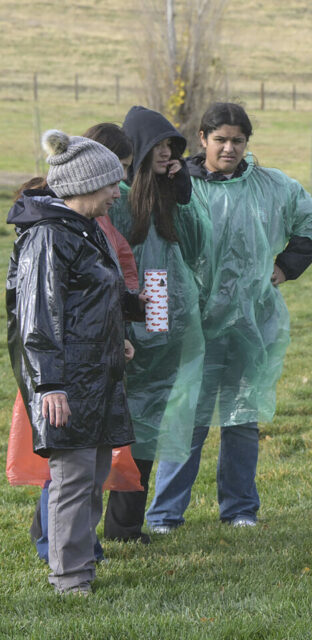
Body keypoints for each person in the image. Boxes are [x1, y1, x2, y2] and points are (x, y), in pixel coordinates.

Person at [147, 103, 312, 532]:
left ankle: (240, 509)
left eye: (238, 141)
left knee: (242, 416)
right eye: (221, 140)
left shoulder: (271, 186)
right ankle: (165, 514)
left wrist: (285, 266)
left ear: (247, 143)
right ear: (202, 139)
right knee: (185, 418)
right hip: (192, 323)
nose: (229, 148)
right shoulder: (180, 185)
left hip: (250, 323)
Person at [7, 130, 133, 594]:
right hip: (68, 380)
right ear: (83, 185)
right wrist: (50, 385)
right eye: (111, 184)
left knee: (92, 474)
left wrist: (116, 337)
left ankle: (81, 564)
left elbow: (86, 300)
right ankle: (70, 578)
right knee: (73, 477)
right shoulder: (47, 237)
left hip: (95, 373)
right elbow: (37, 318)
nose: (118, 193)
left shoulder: (81, 230)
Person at [103, 106, 208, 543]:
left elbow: (197, 244)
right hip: (128, 324)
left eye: (172, 148)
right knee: (111, 426)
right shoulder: (118, 200)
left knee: (146, 428)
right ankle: (70, 522)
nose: (167, 155)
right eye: (160, 147)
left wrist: (180, 195)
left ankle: (125, 525)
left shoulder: (167, 197)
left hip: (166, 328)